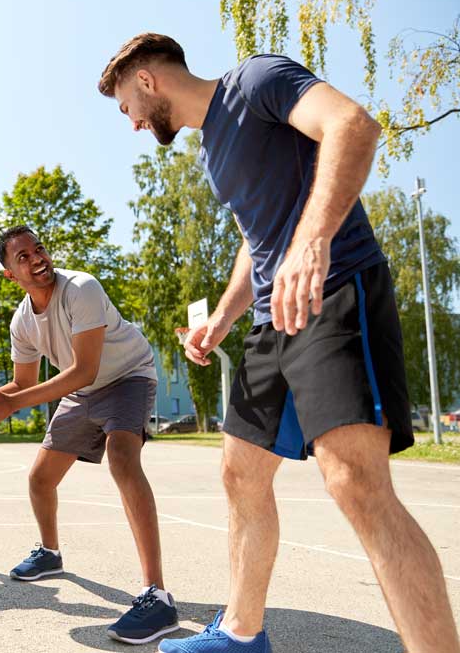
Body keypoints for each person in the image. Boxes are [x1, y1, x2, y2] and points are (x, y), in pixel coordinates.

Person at [98, 32, 459, 653]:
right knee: (240, 471)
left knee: (354, 482)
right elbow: (256, 239)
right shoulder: (213, 149)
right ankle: (240, 635)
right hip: (273, 321)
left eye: (126, 105)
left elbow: (353, 125)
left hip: (334, 288)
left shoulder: (257, 81)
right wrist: (222, 318)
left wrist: (314, 241)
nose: (131, 122)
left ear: (148, 80)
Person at [0, 226, 179, 645]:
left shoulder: (81, 288)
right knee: (39, 479)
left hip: (126, 377)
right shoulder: (22, 322)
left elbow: (84, 368)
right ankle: (49, 553)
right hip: (81, 390)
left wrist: (14, 403)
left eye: (38, 249)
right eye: (23, 257)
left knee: (122, 458)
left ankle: (157, 595)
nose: (36, 259)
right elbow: (21, 381)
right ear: (10, 274)